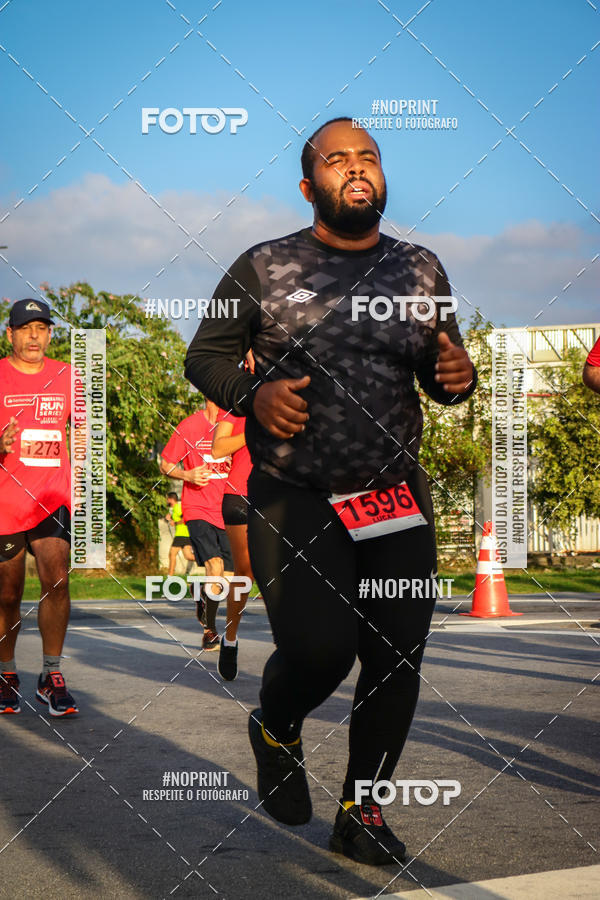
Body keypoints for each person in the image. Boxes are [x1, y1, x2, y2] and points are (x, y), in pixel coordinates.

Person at [185, 117, 477, 864]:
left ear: (382, 177)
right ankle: (276, 726)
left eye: (369, 157)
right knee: (319, 651)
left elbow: (442, 368)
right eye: (338, 158)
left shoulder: (422, 269)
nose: (357, 167)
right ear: (309, 185)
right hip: (296, 491)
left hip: (392, 494)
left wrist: (458, 378)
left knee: (394, 655)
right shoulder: (263, 264)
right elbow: (205, 355)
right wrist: (252, 394)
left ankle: (361, 813)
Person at [0, 299, 79, 716]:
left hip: (52, 497)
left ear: (50, 334)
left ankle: (51, 675)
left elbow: (82, 433)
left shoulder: (68, 376)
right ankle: (6, 671)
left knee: (58, 579)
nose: (34, 336)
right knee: (8, 594)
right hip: (5, 503)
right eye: (25, 328)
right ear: (10, 334)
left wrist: (87, 483)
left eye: (41, 328)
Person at [160, 399, 234, 651]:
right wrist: (187, 475)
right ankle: (210, 631)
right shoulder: (190, 426)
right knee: (215, 565)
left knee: (229, 578)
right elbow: (166, 463)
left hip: (227, 509)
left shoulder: (236, 423)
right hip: (198, 509)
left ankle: (201, 593)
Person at [211, 354, 255, 680]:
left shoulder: (290, 392)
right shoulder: (236, 400)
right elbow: (217, 448)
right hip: (240, 494)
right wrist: (254, 432)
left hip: (281, 495)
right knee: (245, 571)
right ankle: (230, 638)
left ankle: (293, 644)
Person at [165, 491, 195, 576]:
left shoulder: (178, 507)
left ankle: (170, 576)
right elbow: (176, 520)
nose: (166, 501)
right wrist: (170, 519)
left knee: (172, 553)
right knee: (188, 556)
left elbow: (185, 519)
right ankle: (208, 561)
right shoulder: (174, 509)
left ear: (171, 499)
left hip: (181, 535)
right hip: (185, 535)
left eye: (167, 499)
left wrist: (174, 523)